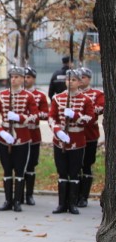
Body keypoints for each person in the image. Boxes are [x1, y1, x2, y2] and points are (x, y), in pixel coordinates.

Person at [48, 70, 94, 214]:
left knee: (74, 172)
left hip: (77, 139)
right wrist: (57, 131)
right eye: (68, 80)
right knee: (62, 171)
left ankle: (72, 204)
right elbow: (51, 117)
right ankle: (62, 204)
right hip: (60, 140)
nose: (70, 82)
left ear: (80, 82)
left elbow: (91, 119)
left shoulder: (86, 99)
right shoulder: (57, 98)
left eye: (73, 80)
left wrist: (75, 115)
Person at [0, 67, 37, 212]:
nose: (14, 79)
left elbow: (35, 116)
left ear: (23, 79)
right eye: (12, 76)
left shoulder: (28, 96)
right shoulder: (0, 95)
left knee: (19, 170)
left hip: (22, 137)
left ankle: (17, 201)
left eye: (17, 77)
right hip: (4, 137)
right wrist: (0, 131)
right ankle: (7, 200)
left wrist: (20, 117)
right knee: (7, 169)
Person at [76, 68, 103, 207]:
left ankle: (84, 196)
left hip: (89, 135)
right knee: (75, 165)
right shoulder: (71, 95)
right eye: (79, 77)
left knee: (86, 164)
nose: (81, 80)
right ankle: (74, 194)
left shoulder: (97, 94)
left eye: (84, 77)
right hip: (75, 135)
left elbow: (98, 108)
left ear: (89, 79)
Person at [22, 66, 49, 205]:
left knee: (31, 164)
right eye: (24, 77)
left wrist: (34, 115)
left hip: (33, 133)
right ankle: (18, 196)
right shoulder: (15, 94)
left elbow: (45, 113)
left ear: (34, 78)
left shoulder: (40, 95)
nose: (26, 80)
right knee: (19, 165)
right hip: (19, 134)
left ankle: (29, 195)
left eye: (29, 77)